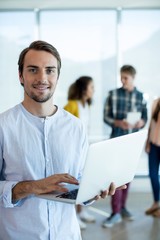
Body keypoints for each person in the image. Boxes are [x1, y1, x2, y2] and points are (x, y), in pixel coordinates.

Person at [0, 40, 121, 240]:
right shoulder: (3, 126)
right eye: (33, 70)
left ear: (57, 76)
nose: (42, 78)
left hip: (67, 234)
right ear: (21, 76)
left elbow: (79, 181)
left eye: (50, 70)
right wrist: (35, 186)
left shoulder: (76, 127)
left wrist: (94, 191)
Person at [103, 65, 147, 228]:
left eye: (125, 78)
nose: (122, 80)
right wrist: (117, 122)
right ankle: (115, 213)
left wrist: (141, 122)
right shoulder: (112, 95)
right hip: (116, 141)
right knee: (115, 178)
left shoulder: (141, 96)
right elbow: (106, 117)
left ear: (133, 78)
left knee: (128, 177)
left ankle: (122, 208)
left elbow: (144, 118)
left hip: (132, 143)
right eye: (121, 77)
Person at [64, 76, 95, 229]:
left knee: (85, 181)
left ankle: (82, 212)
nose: (93, 91)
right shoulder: (71, 105)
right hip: (73, 151)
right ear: (84, 89)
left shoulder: (86, 105)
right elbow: (62, 128)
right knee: (75, 183)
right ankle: (74, 215)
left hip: (84, 148)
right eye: (91, 87)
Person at [145, 98, 160, 217]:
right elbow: (151, 124)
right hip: (154, 144)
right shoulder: (156, 102)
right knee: (153, 174)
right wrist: (147, 142)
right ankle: (156, 202)